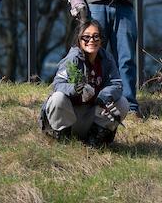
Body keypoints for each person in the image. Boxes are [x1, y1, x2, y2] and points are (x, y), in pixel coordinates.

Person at [39, 19, 128, 147]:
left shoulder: (107, 59)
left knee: (123, 103)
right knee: (57, 98)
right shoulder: (72, 59)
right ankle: (63, 139)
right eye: (86, 37)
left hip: (92, 115)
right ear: (79, 40)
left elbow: (117, 84)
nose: (91, 40)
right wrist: (75, 88)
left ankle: (95, 140)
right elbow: (57, 85)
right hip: (69, 116)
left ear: (101, 40)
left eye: (96, 36)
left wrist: (103, 97)